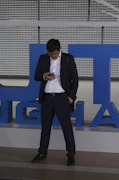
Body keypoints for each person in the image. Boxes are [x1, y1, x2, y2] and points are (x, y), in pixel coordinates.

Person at [31, 38, 79, 166]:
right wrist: (44, 76)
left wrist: (71, 97)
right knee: (45, 127)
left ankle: (71, 154)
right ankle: (42, 153)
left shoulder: (68, 59)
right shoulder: (43, 58)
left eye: (55, 53)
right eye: (50, 54)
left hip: (62, 98)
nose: (53, 56)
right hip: (47, 97)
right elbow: (36, 76)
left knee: (66, 127)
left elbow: (75, 79)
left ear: (59, 50)